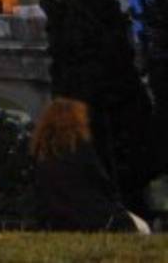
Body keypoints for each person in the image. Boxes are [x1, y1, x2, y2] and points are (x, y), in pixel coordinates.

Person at [31, 98, 147, 232]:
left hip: (56, 219)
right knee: (142, 227)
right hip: (91, 216)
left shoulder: (41, 154)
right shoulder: (81, 150)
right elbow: (102, 183)